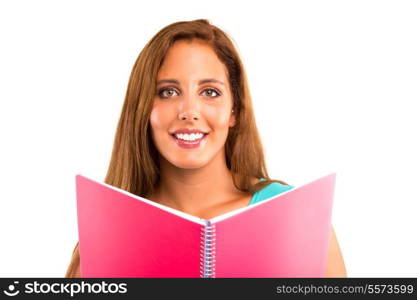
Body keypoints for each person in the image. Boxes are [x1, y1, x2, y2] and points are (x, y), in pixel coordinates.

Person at [65, 19, 347, 278]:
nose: (189, 111)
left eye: (209, 92)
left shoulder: (298, 217)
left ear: (234, 110)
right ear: (143, 110)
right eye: (168, 92)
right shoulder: (108, 237)